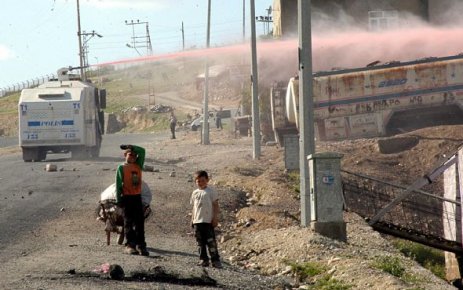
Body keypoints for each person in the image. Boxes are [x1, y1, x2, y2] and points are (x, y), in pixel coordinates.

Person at [116, 144, 149, 256]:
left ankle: (141, 245)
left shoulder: (138, 165)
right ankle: (130, 245)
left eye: (135, 155)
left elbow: (143, 151)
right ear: (125, 155)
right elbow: (118, 185)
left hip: (137, 197)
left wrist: (131, 147)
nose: (133, 157)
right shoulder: (121, 168)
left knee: (140, 222)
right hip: (127, 198)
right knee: (128, 222)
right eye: (130, 154)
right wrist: (119, 200)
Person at [190, 170, 222, 268]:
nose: (200, 183)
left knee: (211, 241)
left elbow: (216, 205)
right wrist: (192, 220)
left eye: (203, 180)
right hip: (197, 222)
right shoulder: (195, 193)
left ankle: (215, 260)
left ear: (207, 180)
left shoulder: (211, 191)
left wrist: (215, 218)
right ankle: (203, 259)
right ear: (195, 182)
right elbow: (194, 208)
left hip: (208, 221)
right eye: (198, 181)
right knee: (200, 242)